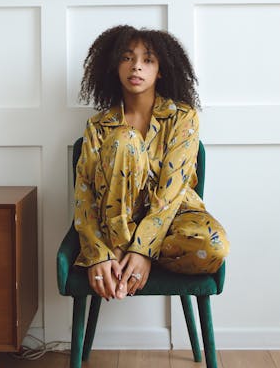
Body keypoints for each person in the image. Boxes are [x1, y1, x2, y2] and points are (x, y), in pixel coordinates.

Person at [73, 25, 229, 300]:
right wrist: (97, 253)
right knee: (125, 139)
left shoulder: (183, 117)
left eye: (148, 60)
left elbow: (172, 192)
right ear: (114, 66)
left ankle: (132, 259)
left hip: (174, 217)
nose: (136, 67)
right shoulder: (98, 125)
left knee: (212, 246)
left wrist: (143, 249)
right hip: (114, 225)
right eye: (127, 58)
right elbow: (84, 195)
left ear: (161, 69)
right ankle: (121, 257)